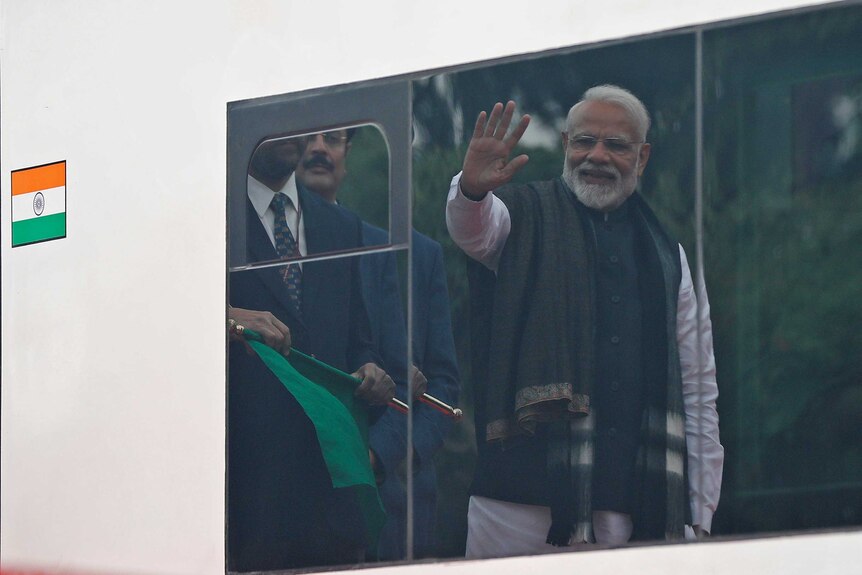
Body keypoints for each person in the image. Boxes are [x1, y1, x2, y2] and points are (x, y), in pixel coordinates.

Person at [445, 85, 723, 557]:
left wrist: (698, 515)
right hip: (512, 512)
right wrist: (471, 189)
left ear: (642, 157)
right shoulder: (521, 213)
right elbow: (474, 231)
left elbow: (697, 389)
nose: (596, 156)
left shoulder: (667, 257)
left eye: (616, 145)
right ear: (567, 145)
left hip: (632, 513)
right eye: (584, 141)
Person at [227, 134, 395, 571]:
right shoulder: (212, 212)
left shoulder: (342, 226)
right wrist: (225, 317)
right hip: (242, 501)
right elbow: (160, 314)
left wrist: (370, 368)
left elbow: (359, 339)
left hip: (332, 501)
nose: (289, 131)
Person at [298, 128, 461, 559]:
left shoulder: (412, 253)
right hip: (298, 490)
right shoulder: (263, 249)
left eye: (332, 139)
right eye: (307, 138)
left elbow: (442, 379)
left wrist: (389, 454)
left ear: (348, 155)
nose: (318, 148)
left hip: (396, 495)